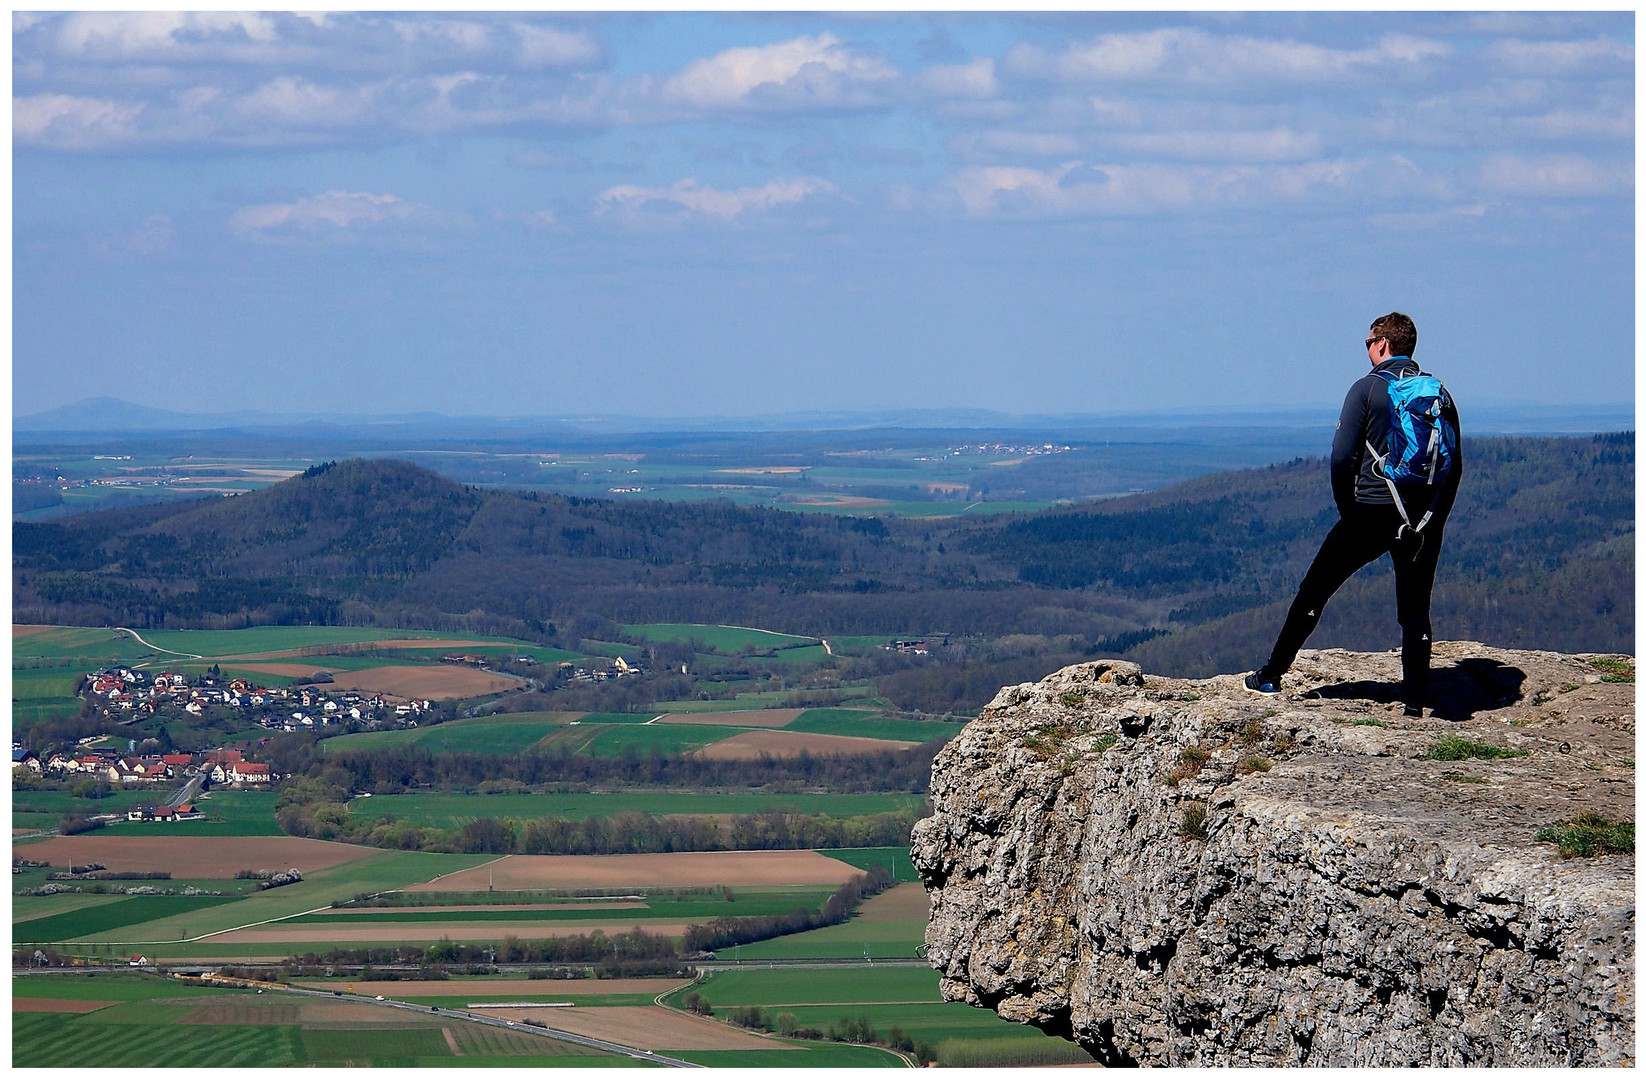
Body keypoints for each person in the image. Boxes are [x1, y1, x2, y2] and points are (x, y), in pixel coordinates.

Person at [1244, 312, 1462, 716]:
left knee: (1316, 589)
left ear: (1383, 344)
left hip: (1371, 511)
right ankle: (1415, 700)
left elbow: (1342, 456)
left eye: (1367, 343)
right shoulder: (1439, 395)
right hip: (1423, 518)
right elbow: (1455, 464)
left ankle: (1272, 674)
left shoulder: (1366, 390)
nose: (1365, 349)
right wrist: (1435, 518)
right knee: (1415, 608)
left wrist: (1349, 508)